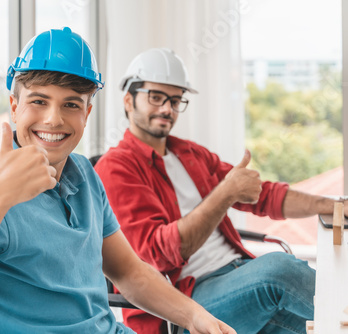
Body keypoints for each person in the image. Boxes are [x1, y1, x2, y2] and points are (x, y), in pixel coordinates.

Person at [0, 29, 236, 334]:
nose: (54, 119)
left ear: (86, 113)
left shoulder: (83, 172)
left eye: (71, 104)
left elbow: (129, 272)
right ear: (13, 105)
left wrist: (194, 315)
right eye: (39, 101)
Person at [94, 48, 345, 334]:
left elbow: (264, 196)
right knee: (280, 272)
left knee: (311, 324)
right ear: (128, 100)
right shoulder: (116, 168)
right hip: (187, 303)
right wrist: (225, 193)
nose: (167, 108)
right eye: (156, 97)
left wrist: (335, 206)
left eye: (176, 100)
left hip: (239, 277)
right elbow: (160, 255)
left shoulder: (189, 153)